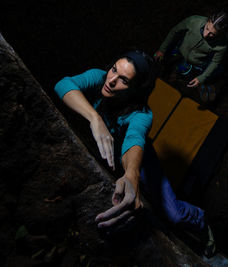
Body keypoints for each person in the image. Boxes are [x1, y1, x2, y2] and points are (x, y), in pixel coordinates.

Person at [54, 49, 215, 257]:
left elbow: (135, 140)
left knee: (173, 214)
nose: (111, 80)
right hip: (108, 152)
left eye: (123, 80)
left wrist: (131, 175)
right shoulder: (100, 77)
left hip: (141, 161)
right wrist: (95, 118)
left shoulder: (142, 114)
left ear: (136, 89)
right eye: (113, 70)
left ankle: (201, 221)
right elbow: (63, 84)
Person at [154, 11, 228, 102]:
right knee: (174, 63)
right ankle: (176, 72)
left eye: (212, 34)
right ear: (208, 20)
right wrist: (162, 49)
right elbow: (175, 31)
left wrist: (202, 78)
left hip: (197, 62)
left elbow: (215, 62)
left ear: (221, 33)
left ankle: (189, 79)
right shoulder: (194, 20)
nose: (206, 34)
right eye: (207, 28)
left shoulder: (222, 45)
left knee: (189, 72)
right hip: (181, 50)